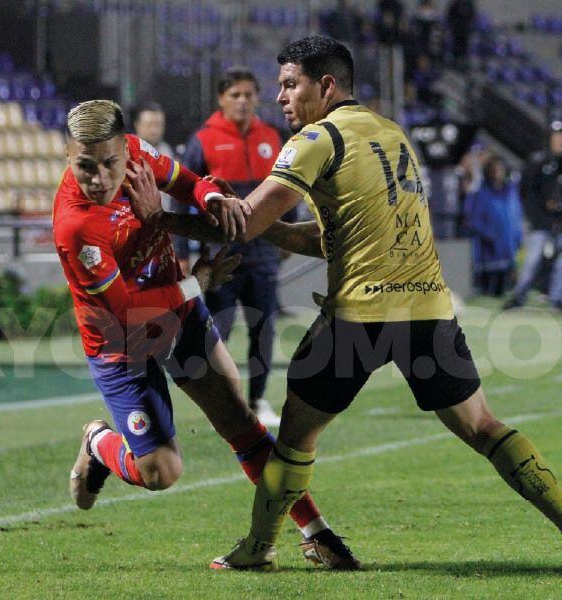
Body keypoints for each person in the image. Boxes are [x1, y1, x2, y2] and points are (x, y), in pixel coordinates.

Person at [129, 36, 562, 571]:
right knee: (483, 427)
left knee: (294, 434)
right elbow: (330, 235)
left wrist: (161, 219)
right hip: (428, 310)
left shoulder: (314, 139)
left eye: (291, 85)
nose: (281, 98)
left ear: (326, 85)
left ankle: (259, 549)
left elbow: (244, 221)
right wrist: (271, 229)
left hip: (359, 319)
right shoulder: (390, 132)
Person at [56, 99, 358, 570]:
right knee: (162, 472)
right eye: (85, 166)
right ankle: (98, 443)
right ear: (67, 157)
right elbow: (125, 311)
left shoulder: (138, 153)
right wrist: (197, 283)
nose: (99, 178)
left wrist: (213, 199)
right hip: (123, 343)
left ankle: (314, 532)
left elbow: (188, 182)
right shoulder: (76, 227)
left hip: (178, 314)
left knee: (240, 421)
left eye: (109, 163)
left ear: (124, 149)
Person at [182, 67, 288, 427]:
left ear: (257, 97)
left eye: (248, 95)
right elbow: (182, 199)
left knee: (265, 329)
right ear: (221, 99)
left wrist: (288, 235)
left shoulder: (272, 137)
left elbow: (288, 191)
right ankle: (225, 403)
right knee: (219, 331)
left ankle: (258, 401)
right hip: (222, 253)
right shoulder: (203, 140)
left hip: (263, 253)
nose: (242, 101)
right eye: (235, 95)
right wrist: (183, 250)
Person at [503, 121, 562, 311]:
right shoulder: (538, 162)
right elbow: (527, 193)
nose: (559, 140)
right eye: (556, 136)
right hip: (541, 223)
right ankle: (518, 297)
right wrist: (540, 219)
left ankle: (557, 300)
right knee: (532, 261)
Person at [132, 101, 189, 274]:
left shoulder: (173, 158)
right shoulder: (125, 157)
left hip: (166, 239)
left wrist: (180, 250)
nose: (155, 129)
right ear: (137, 126)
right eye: (150, 124)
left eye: (159, 124)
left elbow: (180, 206)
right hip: (134, 241)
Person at [464, 154, 522, 296]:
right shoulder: (481, 193)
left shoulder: (510, 192)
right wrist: (488, 233)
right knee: (489, 289)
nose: (498, 172)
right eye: (494, 169)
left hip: (507, 247)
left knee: (504, 289)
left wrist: (517, 236)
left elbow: (516, 216)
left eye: (500, 169)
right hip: (488, 248)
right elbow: (474, 218)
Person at [446, 0, 476, 69]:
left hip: (465, 31)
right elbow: (450, 16)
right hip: (456, 31)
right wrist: (453, 27)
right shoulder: (455, 4)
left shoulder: (469, 5)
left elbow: (472, 16)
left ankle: (463, 62)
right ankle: (455, 62)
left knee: (465, 47)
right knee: (456, 47)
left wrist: (469, 26)